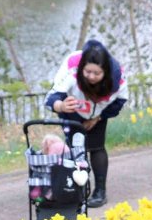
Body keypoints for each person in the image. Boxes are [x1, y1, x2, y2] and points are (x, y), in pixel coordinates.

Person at [45, 39, 128, 207]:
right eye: (87, 71)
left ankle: (100, 191)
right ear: (82, 67)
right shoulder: (72, 69)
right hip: (72, 109)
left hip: (99, 112)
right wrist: (61, 105)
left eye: (96, 73)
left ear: (105, 72)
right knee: (74, 150)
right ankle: (75, 189)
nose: (91, 76)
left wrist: (98, 118)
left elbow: (119, 102)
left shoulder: (116, 78)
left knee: (96, 147)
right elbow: (51, 98)